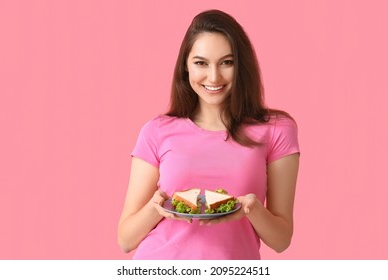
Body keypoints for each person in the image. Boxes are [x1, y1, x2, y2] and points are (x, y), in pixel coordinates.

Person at [118, 9, 300, 260]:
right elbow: (126, 240)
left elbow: (281, 240)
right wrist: (156, 207)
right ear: (186, 67)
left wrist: (251, 208)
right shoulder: (156, 131)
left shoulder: (277, 129)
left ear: (242, 65)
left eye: (227, 62)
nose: (214, 77)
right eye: (201, 63)